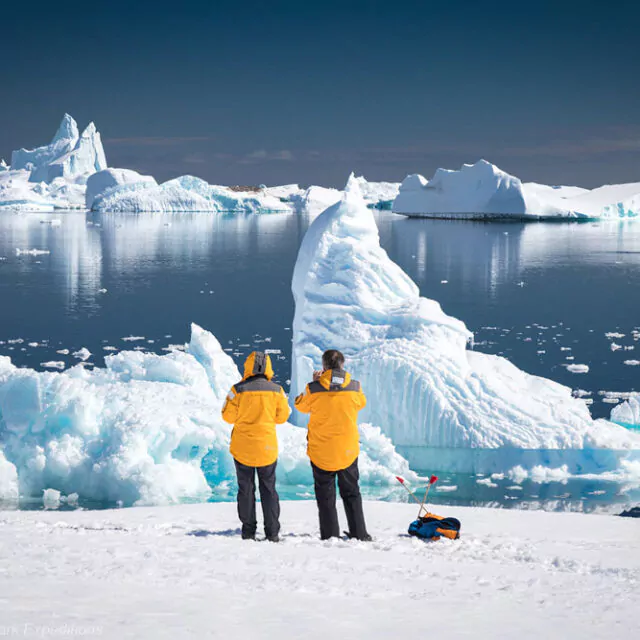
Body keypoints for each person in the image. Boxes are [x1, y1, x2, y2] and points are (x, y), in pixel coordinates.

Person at [294, 349, 371, 541]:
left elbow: (299, 405)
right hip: (347, 450)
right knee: (352, 493)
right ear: (342, 364)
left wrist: (313, 382)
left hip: (322, 451)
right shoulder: (355, 386)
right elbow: (361, 403)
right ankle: (359, 533)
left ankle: (330, 535)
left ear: (324, 366)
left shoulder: (313, 388)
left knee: (325, 496)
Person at [222, 351, 290, 541]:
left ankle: (248, 531)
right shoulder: (277, 390)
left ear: (248, 366)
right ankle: (272, 532)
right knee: (268, 489)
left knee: (246, 489)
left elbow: (227, 416)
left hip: (243, 448)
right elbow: (282, 417)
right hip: (267, 448)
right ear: (268, 367)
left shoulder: (237, 390)